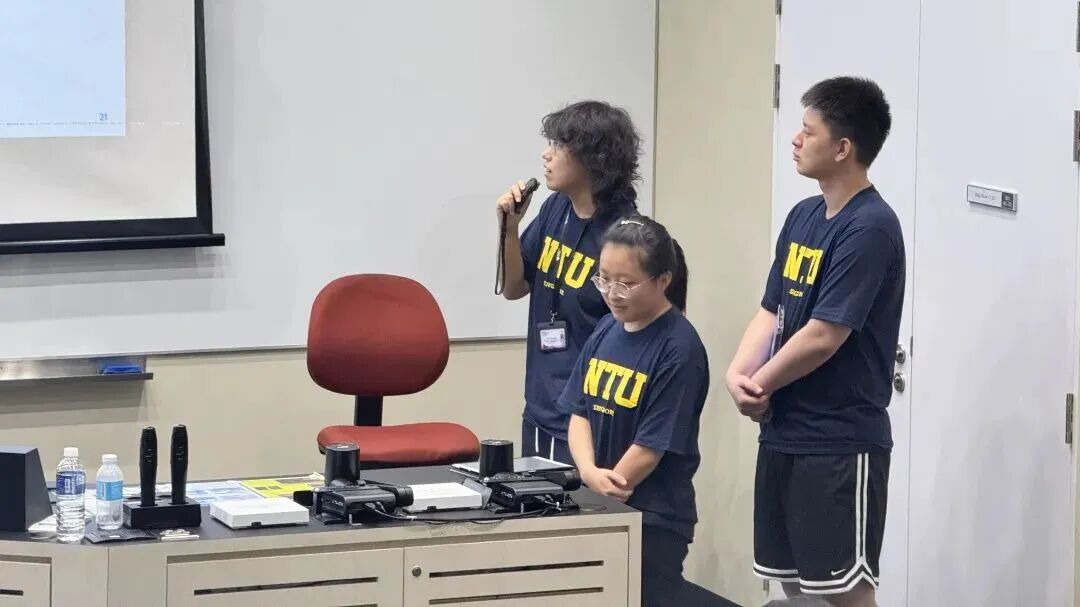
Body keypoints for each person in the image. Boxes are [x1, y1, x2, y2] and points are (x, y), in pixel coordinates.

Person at [725, 76, 904, 607]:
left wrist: (758, 385)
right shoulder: (803, 215)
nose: (796, 139)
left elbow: (825, 335)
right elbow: (772, 309)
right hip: (784, 431)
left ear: (843, 148)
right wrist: (739, 375)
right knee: (794, 583)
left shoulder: (870, 227)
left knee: (845, 590)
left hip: (839, 440)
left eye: (809, 131)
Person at [561, 216, 736, 607]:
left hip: (653, 517)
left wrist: (606, 491)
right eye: (604, 279)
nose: (612, 293)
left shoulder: (680, 349)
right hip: (601, 503)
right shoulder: (605, 330)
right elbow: (579, 413)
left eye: (625, 283)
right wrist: (588, 474)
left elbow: (649, 449)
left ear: (663, 280)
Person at [496, 100, 641, 462]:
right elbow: (514, 288)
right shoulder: (555, 208)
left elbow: (632, 336)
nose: (546, 155)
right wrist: (509, 229)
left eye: (559, 145)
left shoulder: (625, 236)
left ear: (593, 158)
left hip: (587, 420)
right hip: (540, 406)